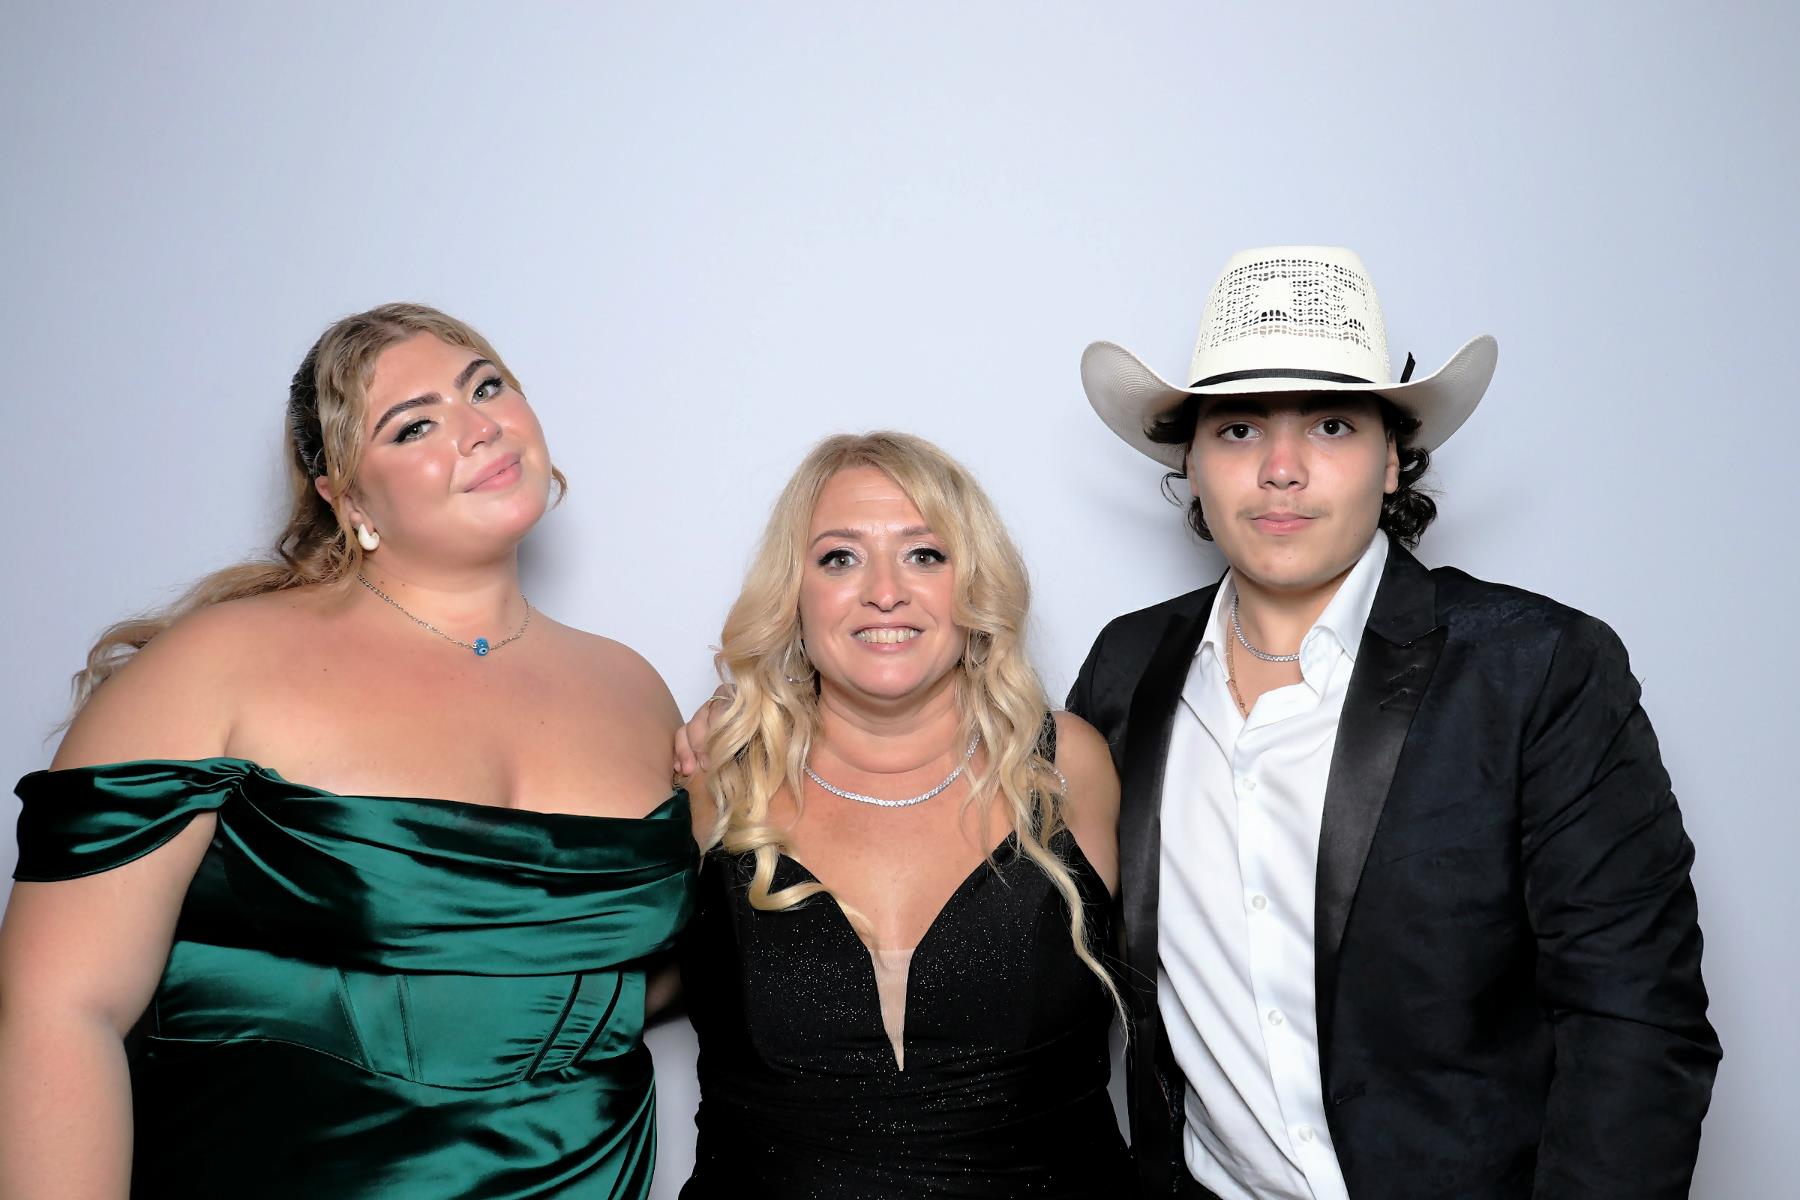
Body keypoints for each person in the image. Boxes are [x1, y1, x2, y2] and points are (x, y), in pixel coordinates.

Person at [0, 303, 696, 1199]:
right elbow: (60, 1012)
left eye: (487, 387)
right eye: (414, 426)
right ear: (347, 499)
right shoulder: (216, 665)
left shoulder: (633, 689)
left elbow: (602, 979)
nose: (479, 427)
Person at [1070, 246, 1720, 1199]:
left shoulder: (1537, 669)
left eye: (1330, 425)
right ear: (1193, 463)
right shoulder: (1127, 669)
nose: (1282, 470)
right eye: (1240, 429)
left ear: (1390, 461)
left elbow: (1636, 1023)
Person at [675, 432, 1132, 1198]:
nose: (885, 591)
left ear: (974, 584)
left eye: (924, 554)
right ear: (794, 594)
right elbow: (614, 973)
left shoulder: (1068, 767)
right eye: (839, 558)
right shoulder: (717, 782)